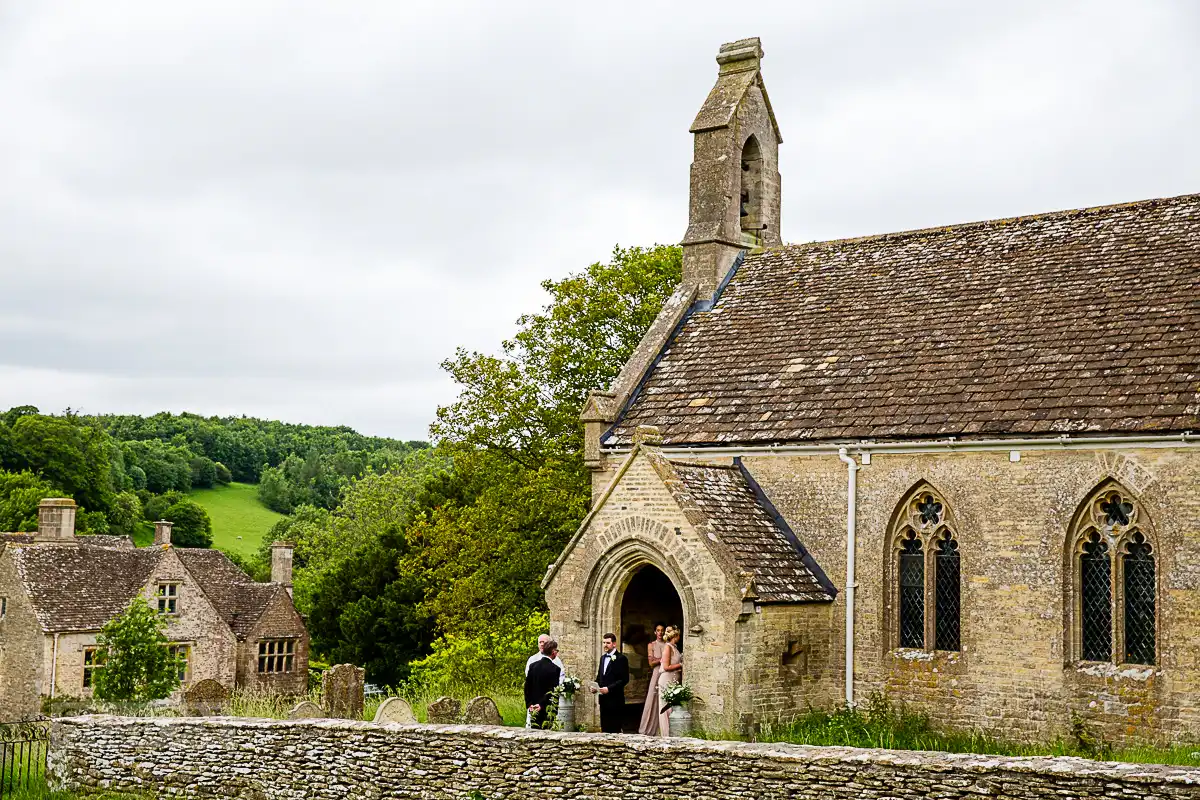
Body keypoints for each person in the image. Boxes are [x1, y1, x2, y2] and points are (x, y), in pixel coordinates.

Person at [589, 632, 628, 734]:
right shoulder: (602, 658)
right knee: (604, 729)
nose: (605, 645)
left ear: (614, 644)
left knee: (615, 729)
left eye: (608, 643)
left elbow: (624, 679)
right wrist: (595, 687)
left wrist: (609, 689)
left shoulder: (621, 659)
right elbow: (600, 676)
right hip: (603, 700)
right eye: (604, 642)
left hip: (615, 700)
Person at [525, 635, 565, 728]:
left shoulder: (533, 666)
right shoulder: (555, 669)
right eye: (556, 651)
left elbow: (527, 687)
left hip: (533, 705)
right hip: (546, 707)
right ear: (553, 652)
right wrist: (541, 704)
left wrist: (530, 704)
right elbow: (552, 690)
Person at [637, 623, 666, 735]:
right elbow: (651, 663)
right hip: (656, 672)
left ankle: (662, 729)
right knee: (652, 699)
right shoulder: (651, 645)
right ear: (655, 632)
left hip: (666, 672)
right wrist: (662, 659)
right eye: (658, 630)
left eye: (662, 630)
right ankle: (647, 728)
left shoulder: (668, 645)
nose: (660, 632)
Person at [657, 625, 683, 737]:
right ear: (675, 636)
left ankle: (672, 734)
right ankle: (666, 735)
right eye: (679, 635)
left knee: (672, 707)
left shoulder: (675, 647)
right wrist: (681, 665)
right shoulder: (668, 647)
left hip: (673, 680)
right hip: (666, 680)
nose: (680, 637)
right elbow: (666, 666)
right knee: (666, 708)